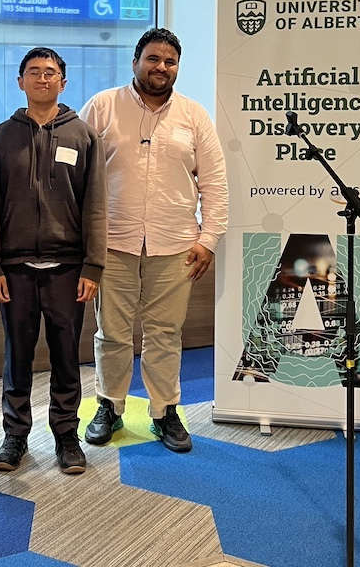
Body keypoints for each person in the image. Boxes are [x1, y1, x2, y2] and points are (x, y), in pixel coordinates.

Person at [78, 27, 228, 453]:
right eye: (153, 59)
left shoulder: (194, 115)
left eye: (170, 61)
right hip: (113, 244)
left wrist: (209, 237)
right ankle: (110, 405)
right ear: (135, 61)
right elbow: (79, 178)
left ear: (177, 67)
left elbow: (215, 182)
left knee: (166, 333)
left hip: (176, 244)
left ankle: (165, 411)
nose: (161, 67)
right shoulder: (102, 107)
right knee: (112, 332)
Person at [0, 47, 107, 475]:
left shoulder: (84, 136)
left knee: (65, 355)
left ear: (63, 82)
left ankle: (66, 436)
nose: (42, 79)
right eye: (33, 72)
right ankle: (15, 435)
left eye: (50, 72)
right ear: (20, 82)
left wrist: (93, 267)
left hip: (69, 269)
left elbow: (95, 207)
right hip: (14, 271)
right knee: (17, 355)